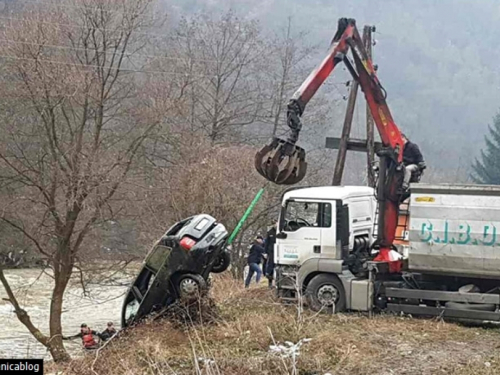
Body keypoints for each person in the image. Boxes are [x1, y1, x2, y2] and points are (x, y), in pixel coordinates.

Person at [264, 225, 277, 289]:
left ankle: (276, 282)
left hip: (278, 251)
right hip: (271, 252)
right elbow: (267, 243)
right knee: (271, 266)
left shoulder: (280, 231)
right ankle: (270, 282)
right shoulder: (270, 232)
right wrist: (265, 252)